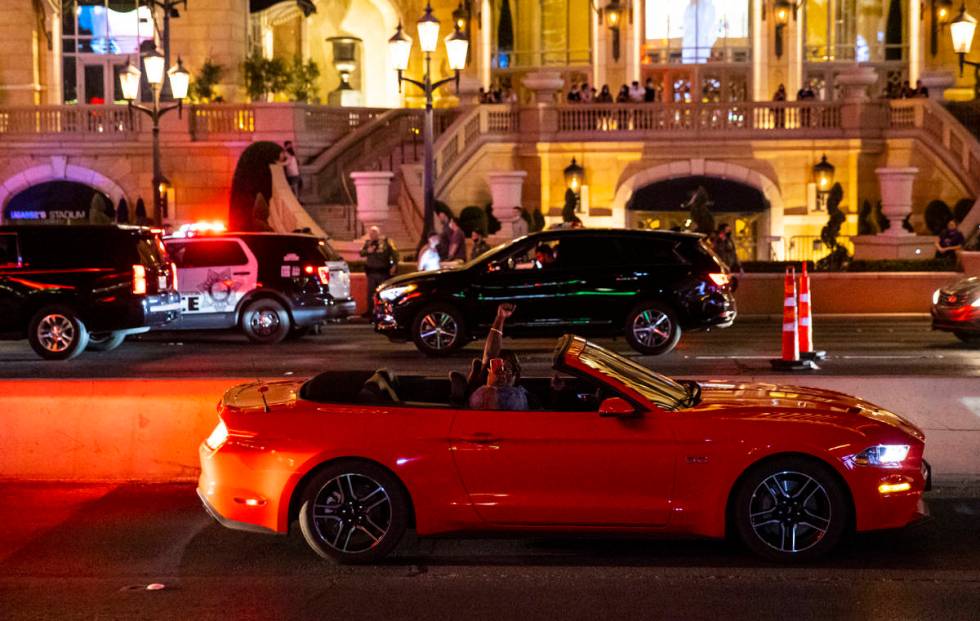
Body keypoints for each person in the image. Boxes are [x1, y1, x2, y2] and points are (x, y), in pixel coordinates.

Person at [466, 303, 530, 411]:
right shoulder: (480, 394)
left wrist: (556, 392)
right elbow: (490, 354)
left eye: (508, 371)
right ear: (489, 371)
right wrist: (500, 318)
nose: (503, 375)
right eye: (498, 369)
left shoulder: (522, 395)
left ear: (516, 376)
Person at [359, 226, 399, 317]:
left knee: (383, 293)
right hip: (371, 273)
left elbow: (395, 254)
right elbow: (361, 253)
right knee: (370, 294)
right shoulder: (368, 243)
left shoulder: (386, 242)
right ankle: (370, 311)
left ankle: (383, 312)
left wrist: (394, 266)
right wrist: (368, 251)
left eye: (374, 233)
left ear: (378, 233)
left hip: (382, 273)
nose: (372, 235)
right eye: (371, 233)